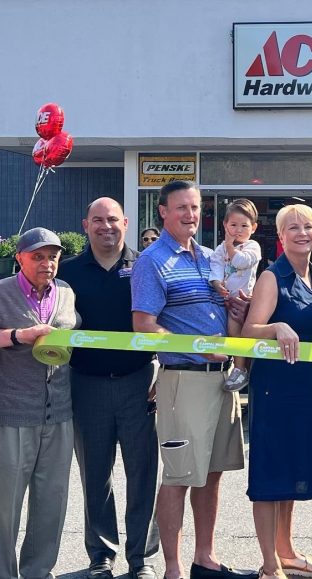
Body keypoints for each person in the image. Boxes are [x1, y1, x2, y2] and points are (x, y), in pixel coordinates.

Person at [131, 180, 256, 579]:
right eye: (181, 207)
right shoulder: (152, 260)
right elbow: (144, 326)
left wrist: (237, 310)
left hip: (222, 380)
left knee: (211, 474)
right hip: (184, 380)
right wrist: (199, 348)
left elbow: (225, 310)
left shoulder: (209, 257)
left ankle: (205, 559)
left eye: (195, 207)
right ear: (163, 212)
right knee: (180, 476)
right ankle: (173, 568)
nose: (190, 214)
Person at [58, 198, 160, 579]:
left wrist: (162, 370)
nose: (106, 226)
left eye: (113, 219)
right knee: (95, 475)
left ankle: (141, 558)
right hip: (86, 385)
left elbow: (162, 320)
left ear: (126, 223)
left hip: (139, 382)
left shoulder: (146, 266)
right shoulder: (67, 272)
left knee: (143, 473)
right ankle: (101, 555)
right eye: (98, 220)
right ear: (85, 225)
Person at [241, 204, 312, 579]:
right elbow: (249, 331)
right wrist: (276, 327)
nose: (301, 233)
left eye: (308, 226)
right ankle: (269, 565)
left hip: (309, 390)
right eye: (292, 227)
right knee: (270, 476)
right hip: (276, 392)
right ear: (280, 236)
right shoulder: (271, 277)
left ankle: (286, 551)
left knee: (292, 474)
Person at [0, 227, 80, 579]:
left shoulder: (66, 292)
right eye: (38, 257)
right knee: (5, 506)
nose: (47, 263)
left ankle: (38, 571)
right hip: (13, 413)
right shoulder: (3, 292)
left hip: (58, 412)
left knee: (52, 501)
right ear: (19, 258)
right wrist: (20, 335)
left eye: (53, 257)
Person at [209, 198, 262, 391]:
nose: (238, 230)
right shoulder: (220, 248)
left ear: (253, 228)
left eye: (244, 226)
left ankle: (240, 369)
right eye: (233, 225)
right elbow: (215, 265)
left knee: (235, 330)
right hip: (223, 298)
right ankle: (232, 363)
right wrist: (216, 283)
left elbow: (241, 262)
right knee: (222, 330)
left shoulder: (253, 247)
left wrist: (230, 247)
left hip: (242, 300)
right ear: (225, 225)